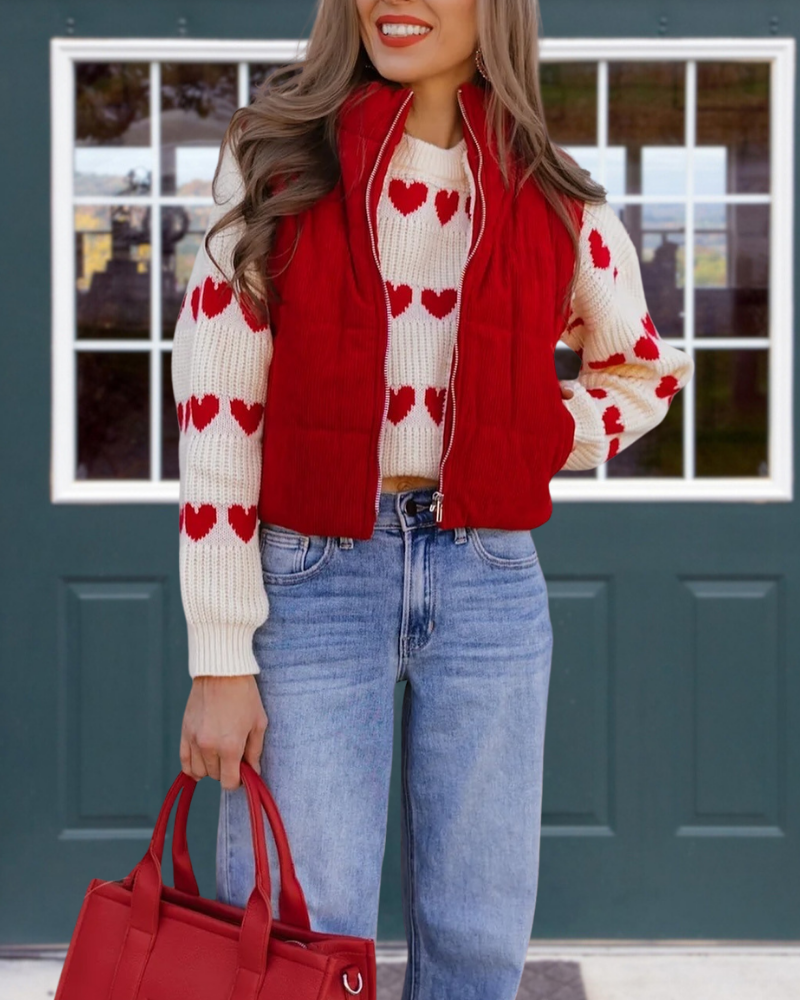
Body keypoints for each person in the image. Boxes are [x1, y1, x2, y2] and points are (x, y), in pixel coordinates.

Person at [171, 1, 694, 996]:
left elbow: (643, 371)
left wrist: (533, 431)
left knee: (477, 932)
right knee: (294, 933)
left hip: (488, 574)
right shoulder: (276, 164)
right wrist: (217, 656)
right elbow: (216, 404)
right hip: (313, 573)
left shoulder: (554, 194)